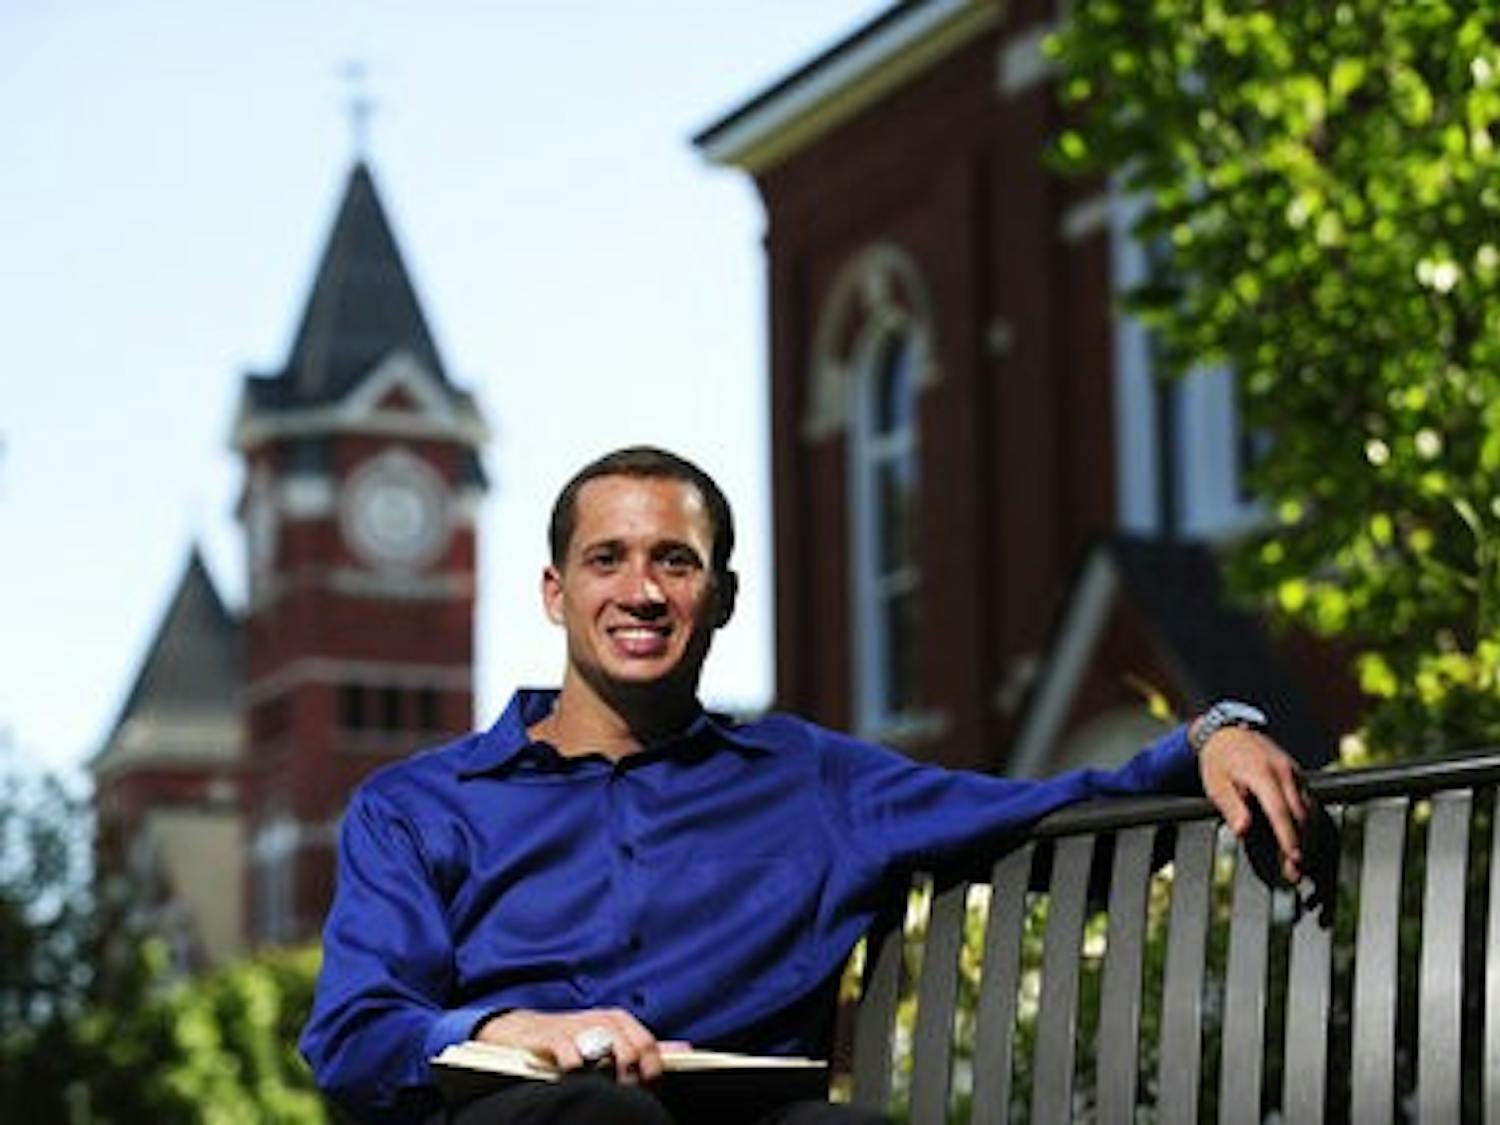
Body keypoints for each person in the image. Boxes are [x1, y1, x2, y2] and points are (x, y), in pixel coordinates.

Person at [301, 446, 1311, 1124]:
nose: (641, 591)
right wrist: (503, 1030)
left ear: (722, 597)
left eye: (675, 562)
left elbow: (1049, 811)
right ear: (556, 594)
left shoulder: (811, 781)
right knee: (599, 1114)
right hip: (529, 1116)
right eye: (607, 560)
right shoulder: (418, 808)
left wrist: (1211, 732)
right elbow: (353, 1035)